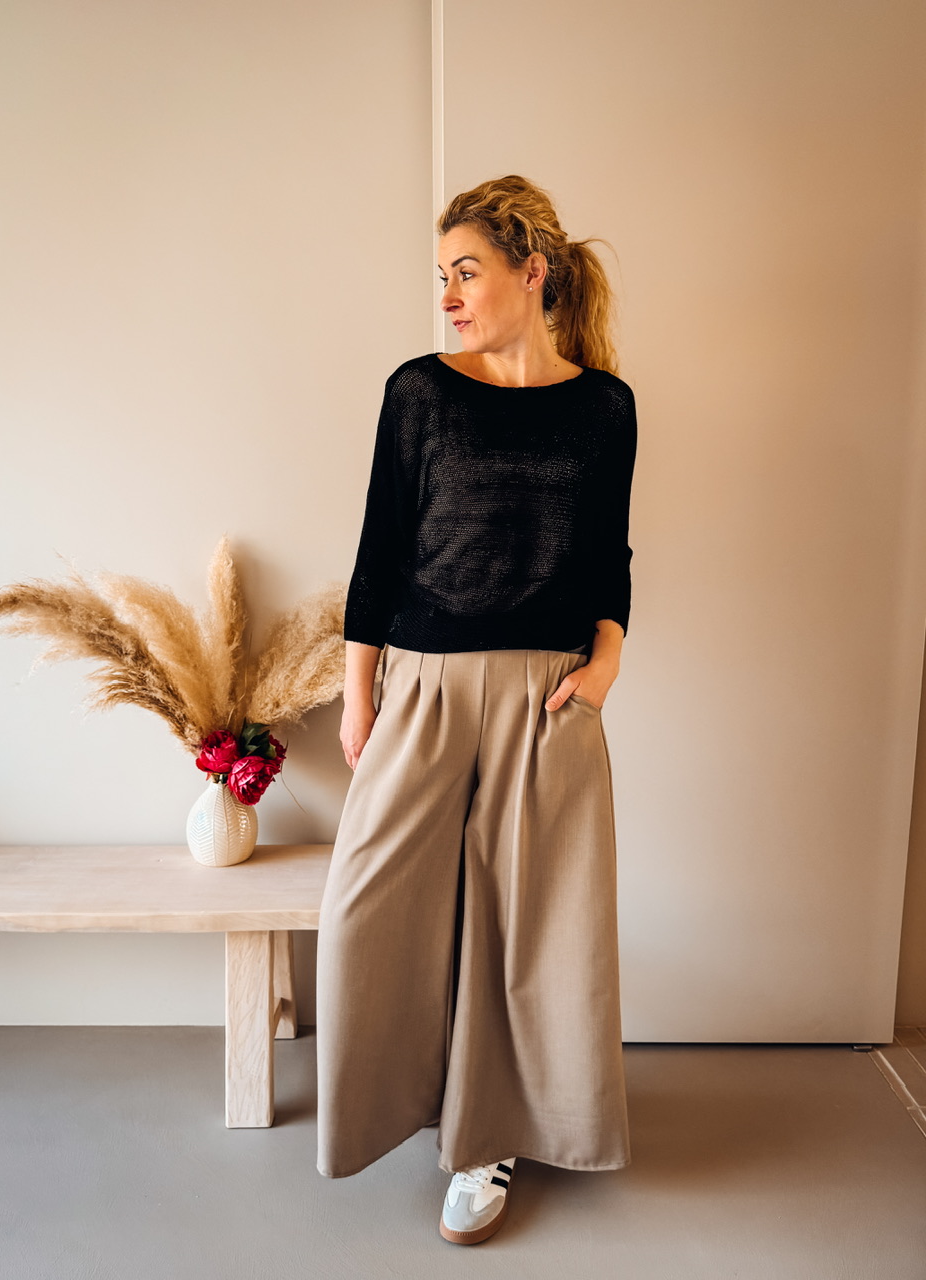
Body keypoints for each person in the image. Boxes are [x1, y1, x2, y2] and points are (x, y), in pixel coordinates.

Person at [316, 173, 637, 1245]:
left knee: (526, 926)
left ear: (531, 272)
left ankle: (484, 1141)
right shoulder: (419, 392)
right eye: (441, 276)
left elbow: (610, 558)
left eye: (467, 272)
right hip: (423, 684)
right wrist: (360, 697)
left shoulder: (605, 408)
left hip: (548, 694)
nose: (448, 295)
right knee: (367, 907)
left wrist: (606, 666)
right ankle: (402, 1104)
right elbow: (377, 551)